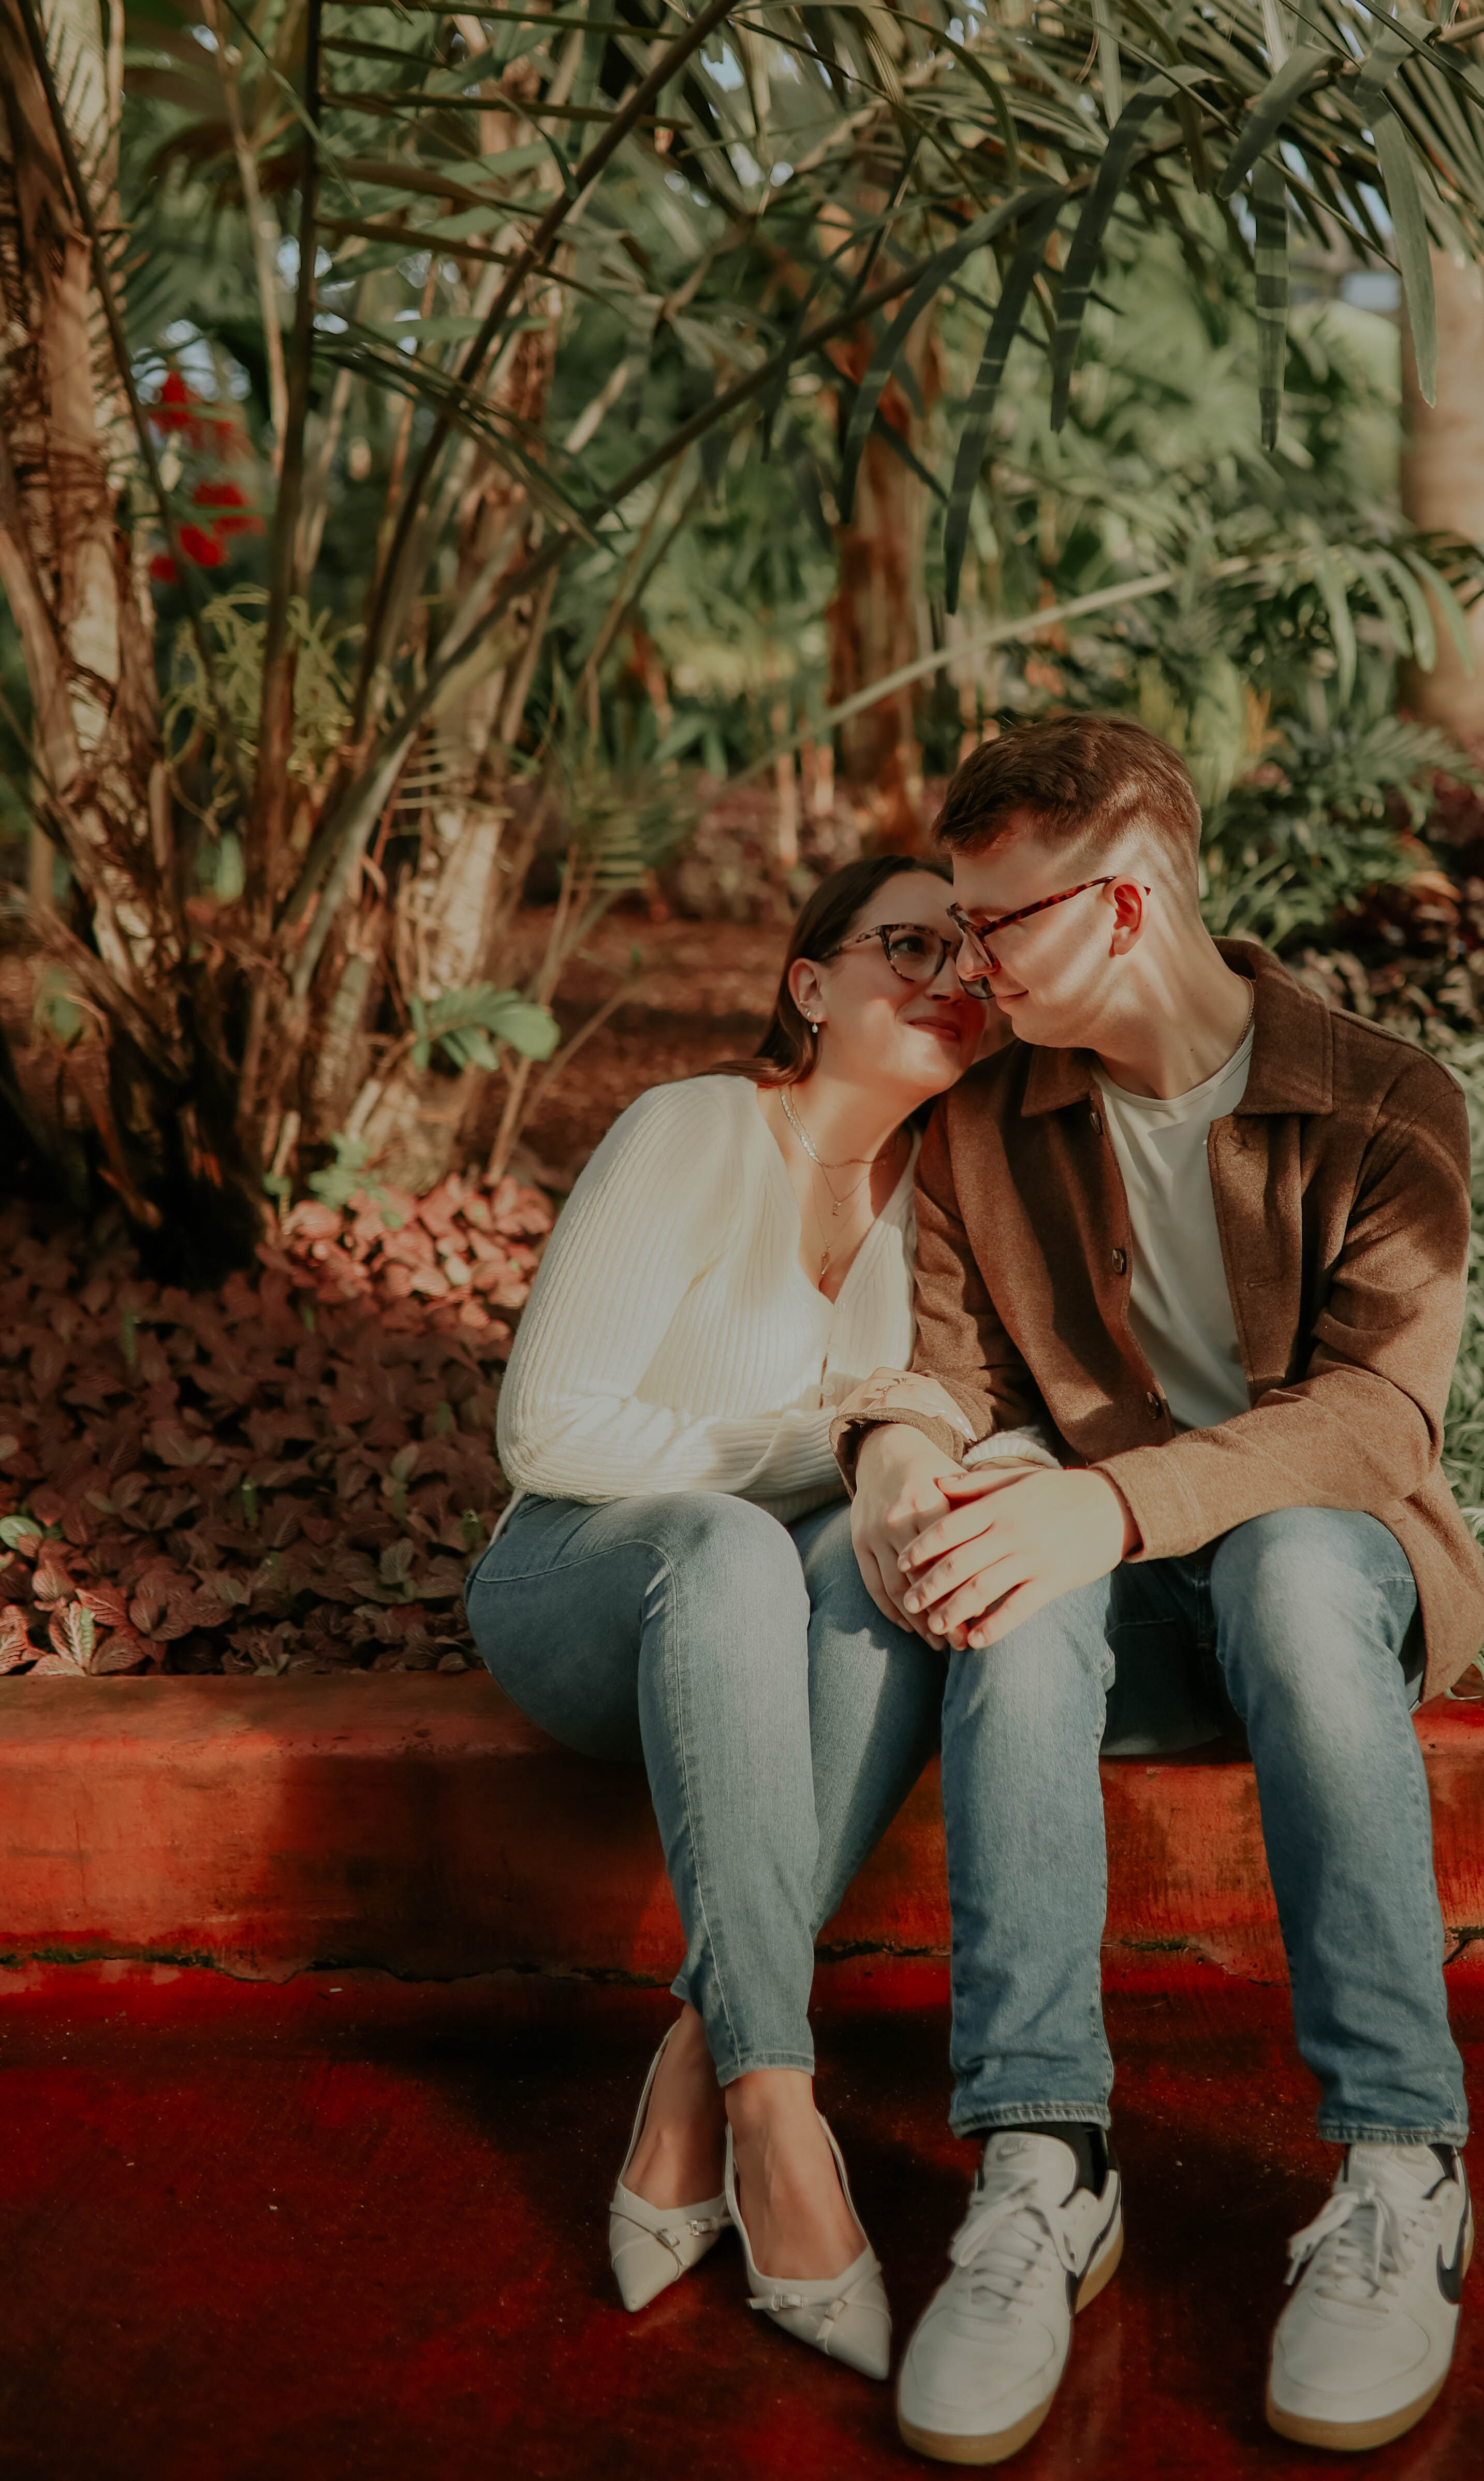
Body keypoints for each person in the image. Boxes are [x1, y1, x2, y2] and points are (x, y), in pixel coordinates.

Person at [829, 713, 1484, 2462]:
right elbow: (946, 1371)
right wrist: (905, 1453)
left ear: (1124, 906)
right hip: (1110, 1588)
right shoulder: (987, 1124)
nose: (966, 964)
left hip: (1322, 1576)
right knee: (1010, 1586)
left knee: (1273, 1563)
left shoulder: (1382, 1097)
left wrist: (1108, 1506)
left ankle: (1402, 2166)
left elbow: (1375, 1423)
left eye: (996, 924)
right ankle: (1043, 2163)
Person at [469, 854, 1020, 2384]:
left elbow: (981, 1433)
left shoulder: (951, 1205)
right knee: (736, 1546)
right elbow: (553, 1433)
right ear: (810, 982)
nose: (946, 978)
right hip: (591, 1584)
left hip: (776, 1619)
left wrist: (901, 1462)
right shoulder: (696, 1131)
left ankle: (701, 2074)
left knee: (877, 1563)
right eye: (906, 944)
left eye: (972, 956)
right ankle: (781, 2111)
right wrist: (846, 1432)